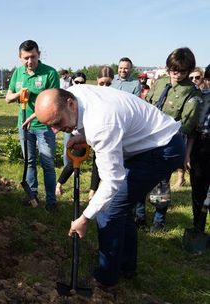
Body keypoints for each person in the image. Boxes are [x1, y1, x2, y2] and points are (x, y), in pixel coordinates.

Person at [35, 86, 184, 289]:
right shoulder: (71, 94)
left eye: (57, 123)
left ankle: (105, 280)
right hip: (145, 144)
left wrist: (84, 218)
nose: (55, 130)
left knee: (109, 208)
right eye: (49, 125)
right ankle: (125, 267)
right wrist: (83, 136)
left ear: (70, 104)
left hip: (162, 148)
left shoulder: (101, 123)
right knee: (121, 206)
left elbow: (112, 181)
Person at [142, 47, 202, 232]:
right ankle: (139, 217)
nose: (177, 74)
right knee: (139, 178)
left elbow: (186, 126)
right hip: (144, 138)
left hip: (166, 142)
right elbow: (146, 105)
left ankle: (159, 221)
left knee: (161, 183)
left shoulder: (192, 93)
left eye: (182, 71)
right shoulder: (160, 83)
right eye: (173, 70)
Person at [5, 40, 59, 212]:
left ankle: (51, 202)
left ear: (39, 55)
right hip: (24, 126)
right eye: (26, 58)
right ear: (20, 57)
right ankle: (32, 195)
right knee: (29, 161)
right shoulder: (18, 73)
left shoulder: (50, 73)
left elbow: (54, 102)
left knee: (48, 163)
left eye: (33, 57)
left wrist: (37, 115)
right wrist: (18, 95)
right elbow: (8, 97)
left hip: (44, 126)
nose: (30, 62)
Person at [55, 66, 113, 199]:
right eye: (102, 83)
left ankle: (93, 191)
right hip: (81, 135)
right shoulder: (81, 95)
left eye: (108, 83)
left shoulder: (108, 96)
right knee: (73, 161)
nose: (104, 86)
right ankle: (59, 184)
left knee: (97, 163)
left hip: (100, 134)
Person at [185, 64, 210, 232]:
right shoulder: (201, 98)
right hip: (200, 146)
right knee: (198, 188)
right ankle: (198, 227)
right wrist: (187, 155)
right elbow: (193, 130)